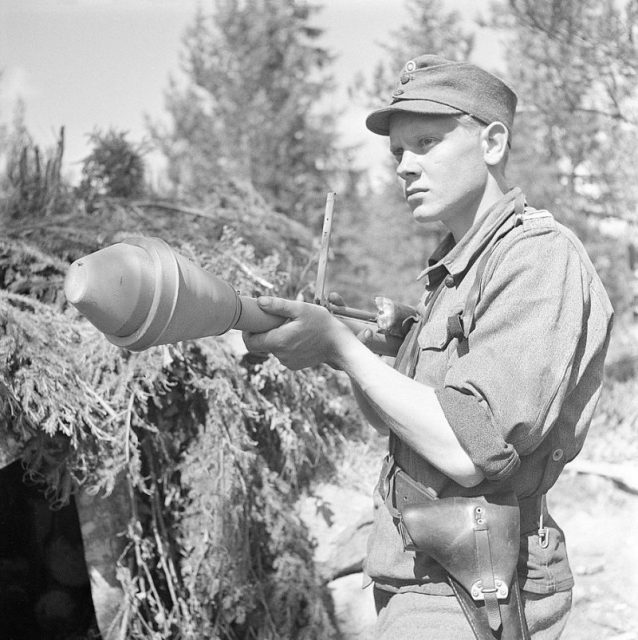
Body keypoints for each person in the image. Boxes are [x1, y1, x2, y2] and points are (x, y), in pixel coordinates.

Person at [242, 54, 614, 639]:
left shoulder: (539, 257)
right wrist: (366, 357)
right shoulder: (453, 272)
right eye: (397, 153)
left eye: (426, 142)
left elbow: (469, 450)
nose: (405, 167)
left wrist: (343, 349)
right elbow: (406, 427)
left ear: (492, 142)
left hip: (478, 584)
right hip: (423, 570)